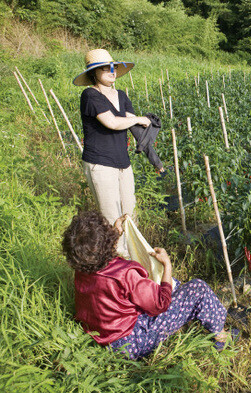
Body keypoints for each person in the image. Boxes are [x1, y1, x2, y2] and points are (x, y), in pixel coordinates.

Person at [62, 211, 235, 359]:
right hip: (131, 342)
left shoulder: (83, 267)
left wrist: (116, 233)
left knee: (175, 287)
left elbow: (98, 256)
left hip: (102, 336)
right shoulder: (125, 273)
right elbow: (161, 303)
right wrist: (167, 266)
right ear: (106, 243)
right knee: (197, 288)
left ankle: (192, 318)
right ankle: (220, 336)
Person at [73, 49, 160, 255]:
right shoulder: (90, 95)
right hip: (101, 164)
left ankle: (135, 261)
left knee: (130, 214)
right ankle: (118, 262)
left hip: (123, 163)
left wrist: (155, 158)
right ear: (94, 73)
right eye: (105, 68)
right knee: (112, 218)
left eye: (113, 67)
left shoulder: (121, 95)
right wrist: (138, 118)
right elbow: (111, 122)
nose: (112, 72)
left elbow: (133, 126)